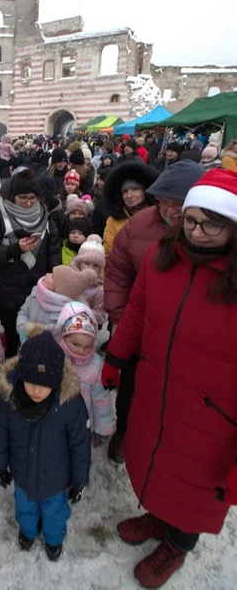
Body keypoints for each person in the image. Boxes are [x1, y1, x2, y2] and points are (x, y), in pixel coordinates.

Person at [102, 168, 237, 588]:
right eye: (191, 220)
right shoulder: (164, 256)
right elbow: (138, 312)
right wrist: (116, 357)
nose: (196, 232)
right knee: (158, 464)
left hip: (212, 422)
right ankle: (160, 518)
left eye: (211, 223)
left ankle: (177, 545)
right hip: (157, 392)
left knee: (193, 488)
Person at [103, 160, 205, 464]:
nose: (168, 210)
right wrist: (118, 317)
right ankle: (124, 431)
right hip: (138, 327)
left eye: (177, 204)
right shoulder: (139, 224)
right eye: (162, 202)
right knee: (130, 389)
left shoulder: (212, 233)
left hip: (188, 338)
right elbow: (118, 272)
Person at [0, 332, 91, 561]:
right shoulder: (10, 399)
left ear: (56, 382)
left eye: (44, 385)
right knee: (25, 507)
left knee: (54, 512)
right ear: (21, 376)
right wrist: (0, 465)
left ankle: (54, 538)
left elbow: (80, 445)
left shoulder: (69, 404)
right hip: (22, 473)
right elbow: (1, 433)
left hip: (54, 478)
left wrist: (79, 481)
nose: (37, 390)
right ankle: (27, 531)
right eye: (31, 382)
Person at [0, 169, 60, 357]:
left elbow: (53, 250)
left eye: (32, 197)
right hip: (8, 287)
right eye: (22, 198)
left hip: (37, 286)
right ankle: (11, 361)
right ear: (13, 196)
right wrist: (15, 250)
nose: (28, 202)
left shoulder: (45, 216)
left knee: (35, 331)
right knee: (11, 330)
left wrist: (53, 276)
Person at [57, 302, 113, 445]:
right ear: (64, 336)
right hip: (56, 420)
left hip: (83, 421)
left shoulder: (95, 366)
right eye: (76, 344)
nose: (81, 351)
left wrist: (101, 427)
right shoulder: (55, 358)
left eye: (87, 346)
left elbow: (101, 400)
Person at [16, 264, 98, 344]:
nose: (47, 274)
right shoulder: (36, 293)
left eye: (52, 276)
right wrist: (22, 328)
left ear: (60, 289)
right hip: (26, 347)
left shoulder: (69, 315)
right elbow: (23, 312)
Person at [102, 161, 159, 254]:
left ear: (146, 190)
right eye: (124, 191)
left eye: (135, 189)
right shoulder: (113, 221)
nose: (129, 195)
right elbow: (109, 252)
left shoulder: (159, 217)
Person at [70, 235, 106, 325]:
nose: (91, 268)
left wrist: (83, 310)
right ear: (79, 263)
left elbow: (100, 316)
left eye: (96, 265)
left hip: (86, 327)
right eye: (87, 263)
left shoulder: (99, 290)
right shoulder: (69, 279)